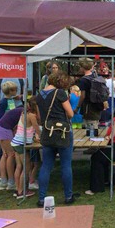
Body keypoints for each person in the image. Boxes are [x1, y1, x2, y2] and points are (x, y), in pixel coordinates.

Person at [36, 71, 77, 206]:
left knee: (46, 165)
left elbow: (40, 118)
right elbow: (70, 114)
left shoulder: (39, 95)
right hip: (63, 132)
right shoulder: (60, 93)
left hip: (47, 132)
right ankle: (68, 196)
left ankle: (41, 198)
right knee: (66, 165)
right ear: (61, 82)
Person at [11, 96, 41, 199]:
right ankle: (21, 192)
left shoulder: (24, 113)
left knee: (19, 166)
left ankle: (17, 189)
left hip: (16, 142)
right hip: (21, 144)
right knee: (26, 167)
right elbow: (37, 129)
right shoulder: (32, 116)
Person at [0, 106, 23, 191]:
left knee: (5, 154)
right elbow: (18, 128)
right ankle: (11, 182)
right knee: (11, 155)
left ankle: (3, 182)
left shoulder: (18, 110)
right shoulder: (23, 113)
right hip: (5, 129)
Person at [75, 57, 108, 130]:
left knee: (90, 128)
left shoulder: (84, 80)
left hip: (88, 107)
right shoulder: (96, 76)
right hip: (98, 106)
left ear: (82, 67)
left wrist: (77, 107)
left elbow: (83, 96)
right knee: (95, 126)